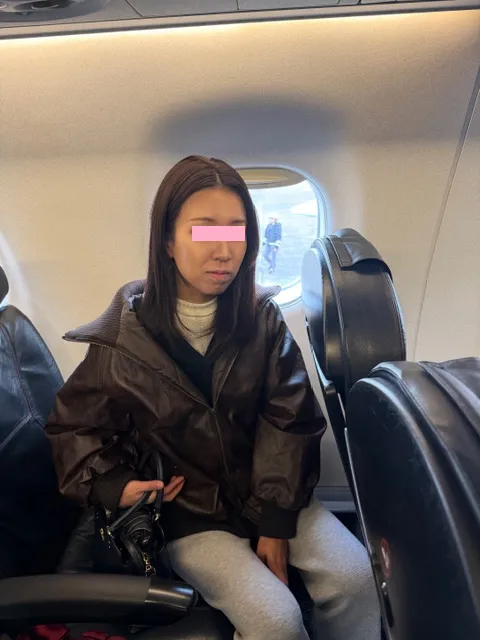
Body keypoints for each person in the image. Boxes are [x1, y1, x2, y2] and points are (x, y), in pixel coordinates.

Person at [45, 156, 380, 640]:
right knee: (276, 621)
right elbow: (73, 427)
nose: (224, 251)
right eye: (204, 232)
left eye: (237, 231)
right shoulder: (121, 341)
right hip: (192, 515)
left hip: (272, 492)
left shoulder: (262, 319)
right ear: (167, 241)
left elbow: (291, 419)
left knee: (358, 580)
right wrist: (115, 485)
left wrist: (275, 522)